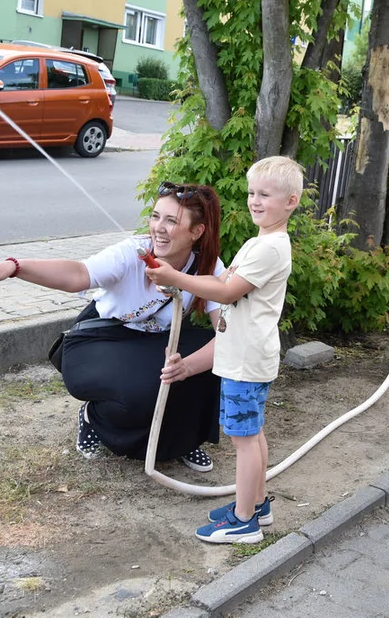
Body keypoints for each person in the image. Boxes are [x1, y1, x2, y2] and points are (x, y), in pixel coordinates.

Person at [0, 182, 225, 471]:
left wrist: (189, 366)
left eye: (171, 220)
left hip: (153, 341)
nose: (158, 227)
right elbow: (78, 274)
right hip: (102, 337)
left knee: (207, 364)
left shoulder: (208, 267)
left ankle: (182, 441)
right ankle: (93, 418)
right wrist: (15, 267)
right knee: (140, 391)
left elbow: (228, 334)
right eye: (156, 216)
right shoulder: (132, 252)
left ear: (196, 232)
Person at [145, 156, 303, 544]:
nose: (254, 200)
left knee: (244, 441)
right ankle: (258, 505)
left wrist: (175, 277)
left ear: (291, 202)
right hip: (248, 356)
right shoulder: (260, 241)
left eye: (265, 194)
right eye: (252, 193)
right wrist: (180, 280)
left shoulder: (270, 248)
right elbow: (226, 279)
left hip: (246, 360)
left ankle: (243, 520)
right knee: (253, 433)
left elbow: (228, 290)